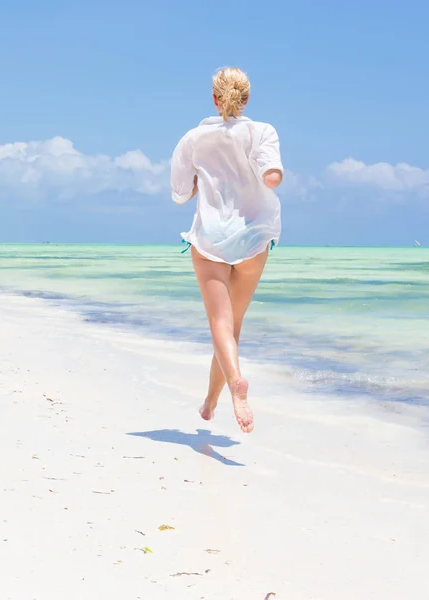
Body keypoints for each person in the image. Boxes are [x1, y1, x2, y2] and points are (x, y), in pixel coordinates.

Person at [170, 67, 284, 434]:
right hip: (254, 237)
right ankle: (213, 401)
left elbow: (179, 193)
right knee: (232, 326)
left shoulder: (192, 138)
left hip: (210, 239)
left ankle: (233, 384)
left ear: (214, 99)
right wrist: (268, 176)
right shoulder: (263, 131)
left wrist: (201, 183)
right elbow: (272, 173)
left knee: (220, 324)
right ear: (246, 98)